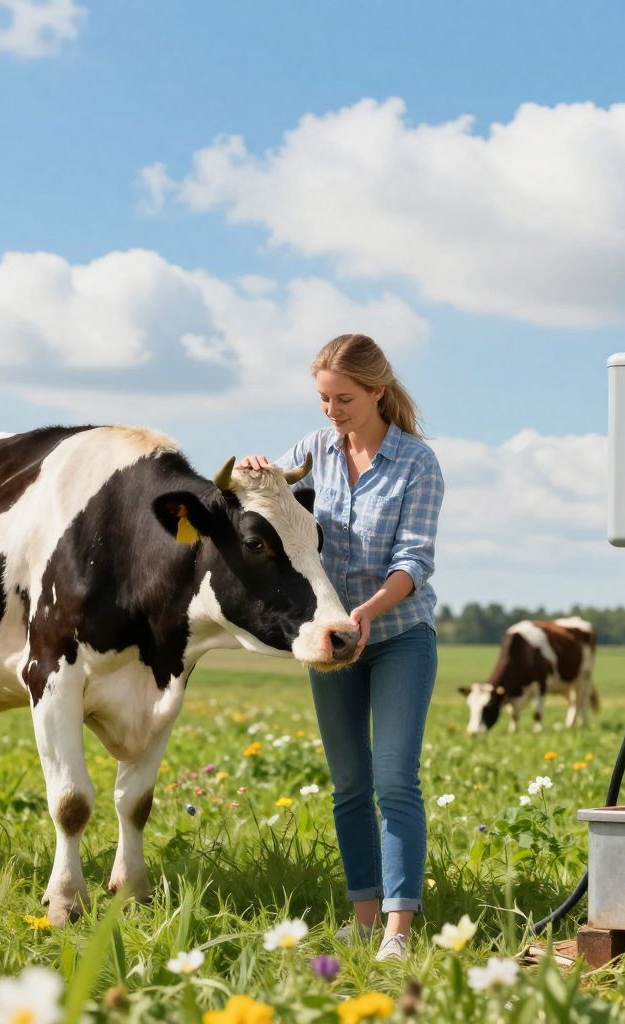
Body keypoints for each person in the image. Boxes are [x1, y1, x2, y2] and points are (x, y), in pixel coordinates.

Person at [240, 333, 444, 963]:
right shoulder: (312, 451)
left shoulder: (417, 463)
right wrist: (253, 468)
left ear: (377, 391)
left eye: (344, 398)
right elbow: (270, 504)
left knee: (394, 779)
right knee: (350, 783)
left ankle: (397, 932)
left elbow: (415, 560)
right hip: (330, 642)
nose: (332, 410)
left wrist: (367, 611)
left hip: (398, 635)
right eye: (324, 398)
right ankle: (361, 919)